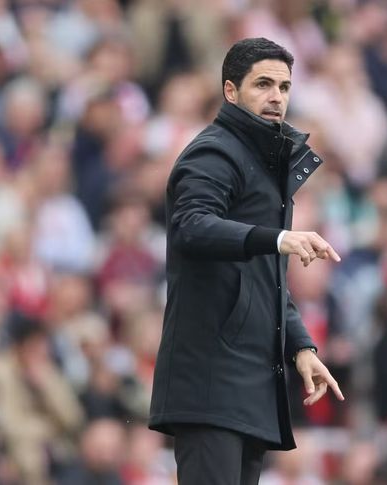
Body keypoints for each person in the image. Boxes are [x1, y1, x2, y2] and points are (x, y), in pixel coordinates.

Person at [148, 37, 344, 484]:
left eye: (284, 86)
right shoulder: (214, 152)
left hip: (249, 383)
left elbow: (265, 278)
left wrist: (301, 347)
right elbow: (191, 226)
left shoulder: (265, 163)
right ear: (230, 91)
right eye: (263, 84)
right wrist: (279, 238)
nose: (277, 97)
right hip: (210, 379)